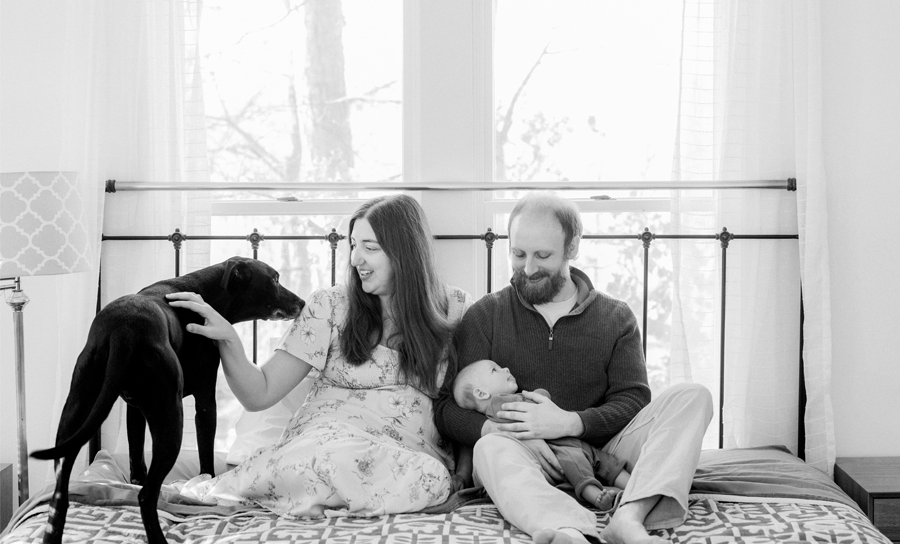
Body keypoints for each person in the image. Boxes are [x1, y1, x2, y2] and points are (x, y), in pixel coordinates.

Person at [168, 194, 472, 518]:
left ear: (407, 252)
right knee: (333, 454)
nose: (356, 260)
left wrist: (464, 475)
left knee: (432, 478)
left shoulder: (456, 308)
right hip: (324, 444)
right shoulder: (329, 305)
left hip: (404, 457)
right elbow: (259, 393)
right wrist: (229, 341)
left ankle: (328, 498)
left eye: (370, 248)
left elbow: (468, 406)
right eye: (353, 246)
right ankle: (323, 494)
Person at [434, 193, 713, 544]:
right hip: (523, 458)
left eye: (543, 255)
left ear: (572, 247)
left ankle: (630, 517)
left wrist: (571, 422)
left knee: (693, 396)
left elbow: (633, 400)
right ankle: (568, 531)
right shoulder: (486, 315)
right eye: (518, 254)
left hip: (605, 455)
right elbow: (446, 408)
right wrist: (501, 430)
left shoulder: (616, 317)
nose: (529, 268)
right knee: (489, 450)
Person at [452, 359, 630, 511]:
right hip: (558, 449)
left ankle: (630, 489)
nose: (505, 369)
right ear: (481, 393)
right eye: (494, 370)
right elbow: (536, 401)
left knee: (600, 461)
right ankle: (598, 495)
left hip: (570, 441)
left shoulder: (509, 400)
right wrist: (539, 394)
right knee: (583, 465)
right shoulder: (499, 405)